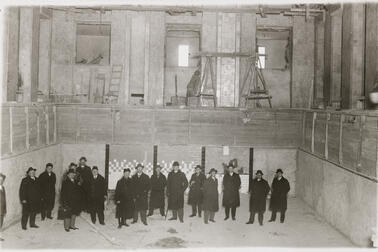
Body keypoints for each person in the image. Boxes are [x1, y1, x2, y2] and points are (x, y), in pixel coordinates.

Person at [0, 173, 6, 241]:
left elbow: (4, 199)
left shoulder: (3, 188)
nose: (1, 181)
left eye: (2, 180)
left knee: (0, 223)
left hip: (2, 210)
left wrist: (5, 210)